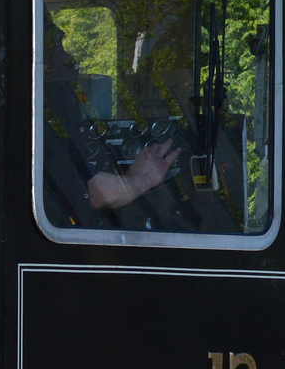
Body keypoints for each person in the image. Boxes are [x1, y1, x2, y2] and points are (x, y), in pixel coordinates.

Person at [40, 14, 180, 228]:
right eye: (55, 43)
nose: (59, 32)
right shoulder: (37, 120)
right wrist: (143, 178)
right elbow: (96, 193)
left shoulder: (52, 110)